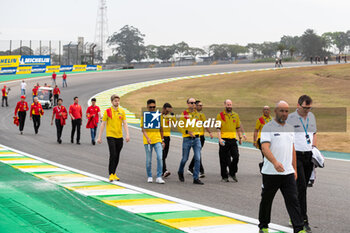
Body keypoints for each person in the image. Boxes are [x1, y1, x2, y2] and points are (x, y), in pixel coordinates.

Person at [258, 100, 305, 233]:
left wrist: (294, 169)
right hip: (271, 172)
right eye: (281, 111)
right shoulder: (268, 127)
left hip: (288, 173)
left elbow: (292, 149)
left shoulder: (290, 129)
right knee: (266, 200)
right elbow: (264, 148)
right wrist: (275, 162)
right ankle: (263, 226)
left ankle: (299, 228)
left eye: (286, 111)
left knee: (293, 201)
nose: (284, 113)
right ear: (275, 111)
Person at [286, 95, 317, 233]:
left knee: (302, 188)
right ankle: (303, 220)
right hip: (296, 155)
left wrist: (314, 148)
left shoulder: (312, 116)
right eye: (305, 108)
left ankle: (294, 216)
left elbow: (314, 133)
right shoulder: (290, 118)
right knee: (301, 187)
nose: (307, 110)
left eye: (309, 108)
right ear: (298, 105)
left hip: (308, 155)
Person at [97, 94, 130, 182]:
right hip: (110, 136)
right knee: (113, 154)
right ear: (112, 102)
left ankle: (114, 173)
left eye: (118, 101)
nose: (117, 102)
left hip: (119, 136)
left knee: (117, 155)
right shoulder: (107, 111)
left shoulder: (122, 111)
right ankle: (111, 174)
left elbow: (125, 123)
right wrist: (99, 137)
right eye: (115, 101)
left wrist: (127, 134)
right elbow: (103, 124)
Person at [177, 98, 204, 185]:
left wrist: (198, 133)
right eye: (191, 103)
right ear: (187, 104)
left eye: (194, 103)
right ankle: (180, 171)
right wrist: (187, 132)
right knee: (185, 159)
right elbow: (180, 127)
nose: (193, 104)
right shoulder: (184, 114)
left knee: (197, 158)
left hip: (196, 139)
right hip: (187, 139)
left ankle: (196, 178)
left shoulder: (197, 114)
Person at [216, 99, 242, 182]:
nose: (229, 106)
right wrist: (220, 139)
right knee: (223, 159)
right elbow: (218, 128)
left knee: (236, 156)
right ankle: (224, 176)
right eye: (228, 104)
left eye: (230, 104)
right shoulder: (220, 115)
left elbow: (238, 127)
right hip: (224, 139)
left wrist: (240, 137)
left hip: (233, 139)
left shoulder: (236, 115)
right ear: (225, 105)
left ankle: (232, 172)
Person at [141, 99, 165, 184]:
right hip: (148, 141)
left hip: (157, 140)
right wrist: (147, 138)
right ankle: (150, 176)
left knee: (159, 157)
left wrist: (162, 140)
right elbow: (143, 129)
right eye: (150, 107)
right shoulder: (144, 116)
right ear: (147, 107)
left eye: (154, 107)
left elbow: (161, 129)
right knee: (148, 160)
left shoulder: (159, 115)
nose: (152, 108)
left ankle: (159, 176)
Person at [188, 100, 213, 178]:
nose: (201, 106)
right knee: (198, 153)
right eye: (199, 105)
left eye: (202, 105)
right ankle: (200, 170)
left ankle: (191, 167)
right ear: (195, 105)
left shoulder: (201, 115)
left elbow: (205, 124)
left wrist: (210, 132)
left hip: (201, 136)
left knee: (197, 153)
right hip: (194, 136)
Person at [254, 106, 273, 172]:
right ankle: (265, 169)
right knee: (265, 155)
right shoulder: (260, 120)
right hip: (262, 139)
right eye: (265, 109)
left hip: (270, 140)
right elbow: (256, 130)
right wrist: (254, 140)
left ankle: (262, 165)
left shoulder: (272, 119)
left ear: (270, 111)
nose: (266, 111)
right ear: (263, 111)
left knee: (270, 155)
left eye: (267, 109)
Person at [161, 102, 176, 178]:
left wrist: (173, 117)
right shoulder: (159, 115)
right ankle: (164, 170)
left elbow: (175, 125)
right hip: (160, 137)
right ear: (163, 109)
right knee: (162, 155)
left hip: (167, 137)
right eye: (167, 111)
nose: (167, 112)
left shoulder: (170, 116)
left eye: (169, 111)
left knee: (165, 155)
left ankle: (161, 170)